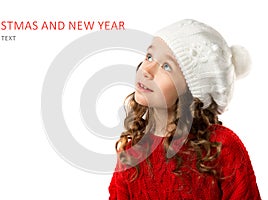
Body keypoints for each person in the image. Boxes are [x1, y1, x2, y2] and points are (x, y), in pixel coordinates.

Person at [108, 19, 261, 199]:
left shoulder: (221, 147)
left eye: (166, 66)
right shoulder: (132, 149)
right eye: (149, 56)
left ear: (192, 90)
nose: (147, 69)